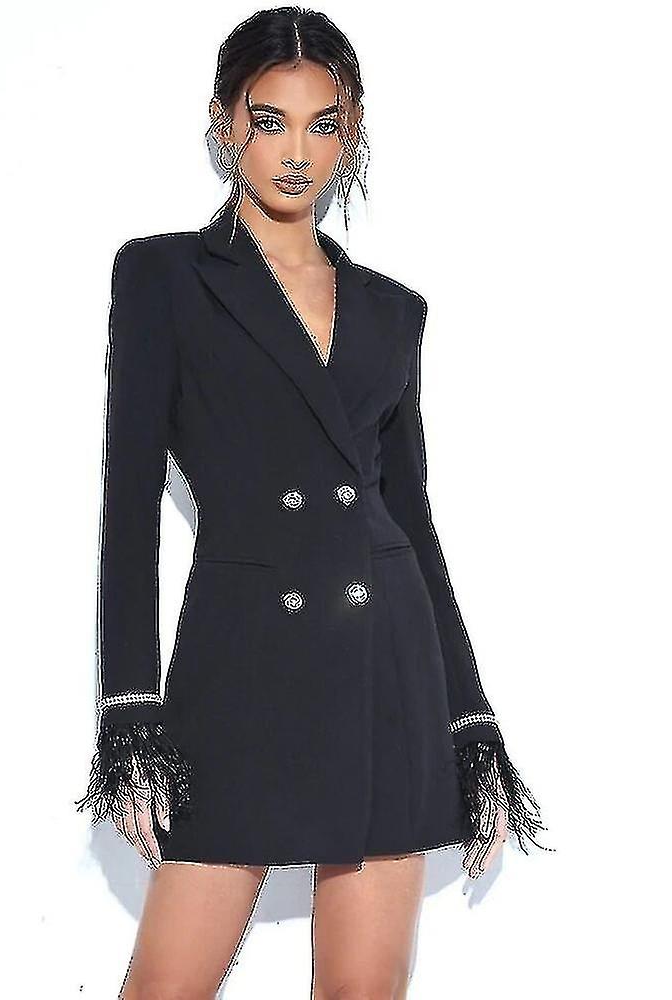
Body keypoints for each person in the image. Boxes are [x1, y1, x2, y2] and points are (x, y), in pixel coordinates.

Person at [76, 9, 550, 997]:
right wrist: (130, 705)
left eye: (323, 124)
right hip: (239, 665)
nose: (297, 151)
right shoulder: (163, 276)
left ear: (353, 129)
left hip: (384, 664)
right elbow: (128, 513)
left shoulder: (392, 310)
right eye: (270, 120)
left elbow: (412, 521)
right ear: (225, 123)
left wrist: (469, 713)